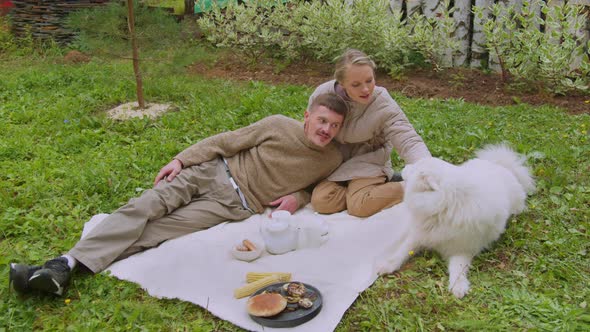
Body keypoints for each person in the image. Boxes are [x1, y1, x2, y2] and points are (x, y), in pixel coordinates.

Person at [9, 93, 348, 296]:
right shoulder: (277, 125)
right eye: (322, 120)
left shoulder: (331, 158)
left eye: (334, 126)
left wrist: (299, 198)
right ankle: (62, 265)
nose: (326, 130)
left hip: (233, 205)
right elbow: (226, 140)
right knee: (146, 206)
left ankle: (58, 271)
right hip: (212, 171)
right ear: (307, 116)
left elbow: (315, 189)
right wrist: (181, 159)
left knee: (159, 231)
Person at [309, 49, 431, 218]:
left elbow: (407, 138)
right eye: (356, 84)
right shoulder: (322, 94)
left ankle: (411, 187)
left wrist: (428, 169)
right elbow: (311, 127)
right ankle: (366, 193)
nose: (366, 89)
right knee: (321, 201)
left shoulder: (382, 102)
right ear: (342, 83)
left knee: (359, 207)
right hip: (336, 161)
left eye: (369, 80)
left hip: (369, 158)